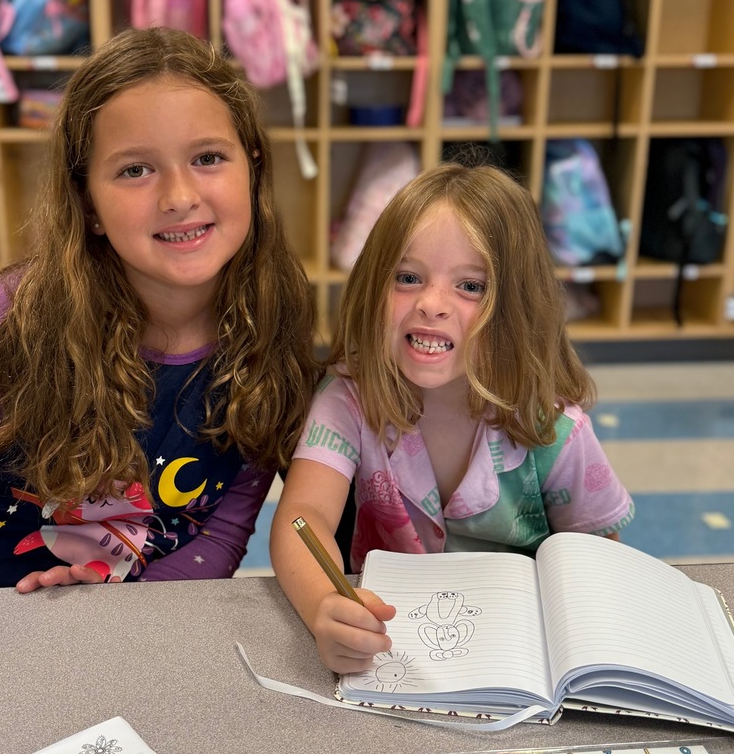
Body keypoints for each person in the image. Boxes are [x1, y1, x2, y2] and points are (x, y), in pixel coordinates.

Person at [0, 27, 320, 592]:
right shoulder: (4, 324)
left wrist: (123, 621)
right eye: (135, 169)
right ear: (88, 202)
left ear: (253, 168)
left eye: (208, 157)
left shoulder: (273, 329)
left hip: (115, 630)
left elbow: (220, 533)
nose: (179, 197)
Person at [270, 161, 634, 673]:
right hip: (390, 651)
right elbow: (301, 517)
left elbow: (598, 563)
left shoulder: (553, 428)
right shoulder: (349, 399)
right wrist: (322, 607)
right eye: (407, 277)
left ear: (517, 309)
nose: (431, 304)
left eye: (472, 287)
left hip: (520, 658)